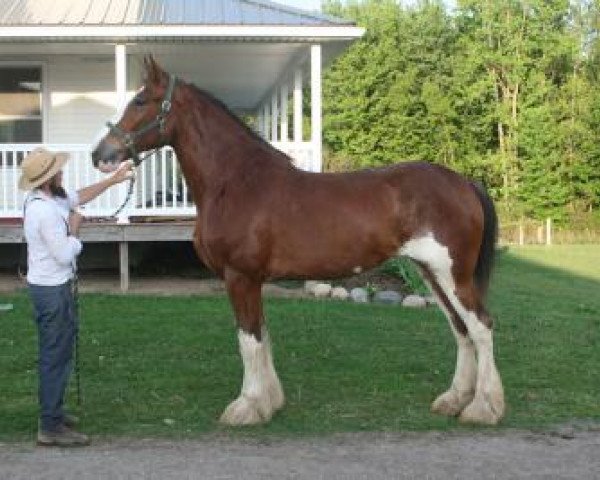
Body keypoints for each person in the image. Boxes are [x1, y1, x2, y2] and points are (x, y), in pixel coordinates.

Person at [19, 147, 134, 447]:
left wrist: (114, 180)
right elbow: (63, 253)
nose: (62, 173)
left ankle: (53, 413)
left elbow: (79, 196)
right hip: (52, 291)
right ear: (47, 179)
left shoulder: (49, 197)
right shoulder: (42, 211)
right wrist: (74, 230)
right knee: (54, 356)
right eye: (57, 171)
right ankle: (50, 426)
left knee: (58, 352)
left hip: (54, 288)